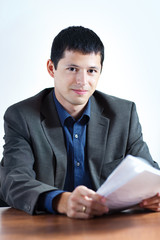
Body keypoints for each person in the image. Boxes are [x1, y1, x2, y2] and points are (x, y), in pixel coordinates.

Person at [0, 26, 160, 219]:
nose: (82, 81)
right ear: (52, 68)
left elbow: (149, 172)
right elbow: (14, 181)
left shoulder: (124, 115)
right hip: (45, 227)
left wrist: (155, 194)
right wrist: (63, 200)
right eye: (72, 69)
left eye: (92, 70)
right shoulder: (22, 116)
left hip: (108, 227)